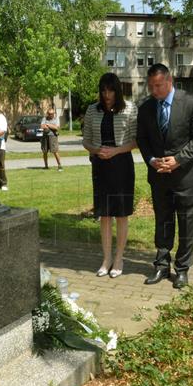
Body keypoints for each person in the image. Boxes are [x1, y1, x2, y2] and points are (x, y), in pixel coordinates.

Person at [136, 63, 193, 289]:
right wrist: (151, 160)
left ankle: (183, 269)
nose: (154, 90)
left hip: (186, 176)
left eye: (158, 85)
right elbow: (142, 140)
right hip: (159, 176)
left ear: (170, 81)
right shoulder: (146, 107)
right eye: (151, 86)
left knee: (186, 223)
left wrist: (178, 159)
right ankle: (161, 265)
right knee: (163, 222)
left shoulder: (190, 102)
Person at [81, 73, 137, 278]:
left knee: (121, 213)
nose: (107, 95)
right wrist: (96, 151)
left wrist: (116, 150)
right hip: (100, 165)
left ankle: (119, 258)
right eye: (103, 90)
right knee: (104, 214)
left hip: (122, 164)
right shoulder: (91, 110)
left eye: (110, 90)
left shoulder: (130, 109)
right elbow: (86, 140)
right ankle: (106, 259)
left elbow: (135, 140)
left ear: (118, 90)